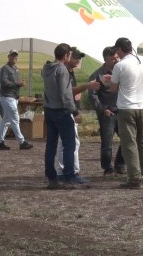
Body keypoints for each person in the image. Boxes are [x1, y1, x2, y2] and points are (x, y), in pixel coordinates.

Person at [110, 37, 143, 189]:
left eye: (116, 51)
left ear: (120, 49)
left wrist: (110, 81)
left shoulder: (120, 65)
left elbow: (113, 89)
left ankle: (134, 178)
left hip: (126, 107)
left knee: (129, 144)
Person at [42, 43, 82, 189]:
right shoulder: (62, 70)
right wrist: (75, 112)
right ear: (66, 56)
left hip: (49, 110)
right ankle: (69, 176)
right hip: (61, 111)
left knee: (51, 145)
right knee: (69, 145)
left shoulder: (46, 68)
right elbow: (66, 95)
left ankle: (51, 177)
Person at [55, 47, 99, 180]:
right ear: (68, 57)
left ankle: (64, 170)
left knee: (67, 142)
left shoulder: (69, 71)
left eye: (79, 57)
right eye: (75, 57)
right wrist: (86, 86)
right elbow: (67, 91)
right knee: (70, 142)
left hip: (67, 110)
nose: (78, 60)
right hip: (67, 111)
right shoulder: (65, 72)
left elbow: (69, 91)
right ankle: (70, 171)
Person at [88, 47, 125, 176]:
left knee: (126, 138)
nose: (116, 60)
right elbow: (93, 95)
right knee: (107, 143)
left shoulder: (121, 72)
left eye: (117, 58)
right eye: (112, 58)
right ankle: (107, 168)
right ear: (105, 59)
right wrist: (102, 109)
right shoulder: (97, 75)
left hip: (121, 111)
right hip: (107, 113)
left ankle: (120, 164)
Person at [0, 50, 33, 151]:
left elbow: (12, 82)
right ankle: (22, 142)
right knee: (15, 119)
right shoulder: (5, 68)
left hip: (13, 97)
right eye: (13, 56)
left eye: (16, 56)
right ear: (8, 57)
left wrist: (18, 85)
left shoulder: (15, 69)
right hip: (7, 97)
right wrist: (17, 83)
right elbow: (4, 82)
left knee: (6, 121)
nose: (15, 57)